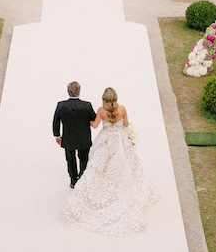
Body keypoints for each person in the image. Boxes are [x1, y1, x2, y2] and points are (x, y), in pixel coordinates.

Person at [61, 87, 157, 235]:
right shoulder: (123, 109)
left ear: (104, 99)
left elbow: (94, 125)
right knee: (122, 164)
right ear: (116, 98)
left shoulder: (101, 111)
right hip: (119, 140)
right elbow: (126, 125)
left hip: (106, 140)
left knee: (100, 165)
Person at [53, 81, 96, 188]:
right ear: (79, 91)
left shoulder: (61, 105)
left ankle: (73, 181)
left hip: (68, 138)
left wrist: (57, 135)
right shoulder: (86, 105)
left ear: (68, 91)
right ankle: (82, 178)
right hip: (84, 137)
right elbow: (94, 119)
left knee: (70, 159)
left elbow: (56, 121)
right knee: (84, 158)